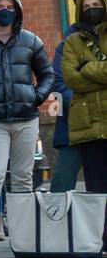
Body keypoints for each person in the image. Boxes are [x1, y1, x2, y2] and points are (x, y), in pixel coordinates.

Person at [0, 0, 54, 251]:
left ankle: (22, 232)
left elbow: (48, 75)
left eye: (9, 7)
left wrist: (36, 96)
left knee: (21, 177)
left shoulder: (31, 41)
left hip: (26, 119)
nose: (4, 11)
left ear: (17, 10)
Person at [61, 0, 107, 253]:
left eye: (96, 4)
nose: (92, 10)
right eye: (87, 7)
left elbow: (80, 74)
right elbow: (71, 78)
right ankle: (102, 240)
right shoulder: (73, 41)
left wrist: (87, 67)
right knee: (97, 188)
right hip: (88, 125)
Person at [50, 24, 83, 193]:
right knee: (62, 183)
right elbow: (58, 83)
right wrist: (84, 104)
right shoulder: (66, 45)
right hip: (73, 125)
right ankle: (58, 219)